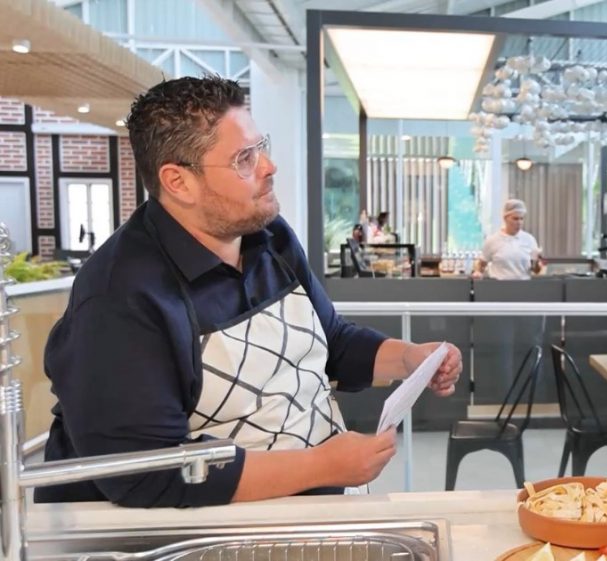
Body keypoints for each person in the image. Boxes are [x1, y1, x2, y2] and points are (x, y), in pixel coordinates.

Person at [39, 76, 463, 507]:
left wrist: (409, 359)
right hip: (199, 534)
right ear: (178, 182)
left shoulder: (268, 237)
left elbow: (331, 341)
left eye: (261, 146)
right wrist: (322, 466)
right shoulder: (120, 298)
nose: (268, 166)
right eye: (245, 157)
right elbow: (148, 473)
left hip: (313, 504)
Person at [472, 199, 544, 280]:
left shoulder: (529, 240)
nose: (519, 222)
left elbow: (535, 270)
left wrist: (537, 263)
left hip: (523, 288)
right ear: (505, 218)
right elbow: (481, 263)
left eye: (521, 219)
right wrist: (477, 272)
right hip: (500, 288)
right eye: (515, 219)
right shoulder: (493, 241)